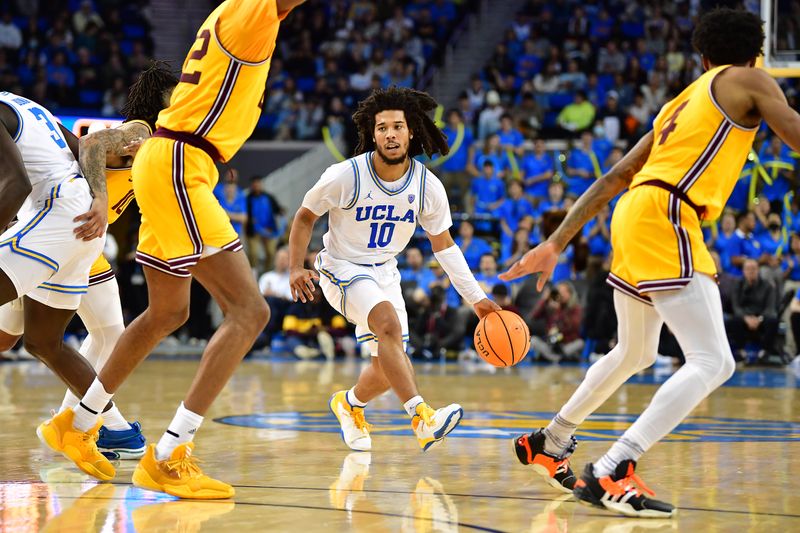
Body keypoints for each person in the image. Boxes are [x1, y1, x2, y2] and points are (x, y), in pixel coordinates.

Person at [500, 8, 800, 518]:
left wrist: (555, 242)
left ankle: (550, 441)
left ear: (702, 57)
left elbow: (614, 176)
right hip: (669, 211)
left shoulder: (677, 107)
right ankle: (614, 468)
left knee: (636, 352)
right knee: (714, 361)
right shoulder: (751, 79)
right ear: (755, 55)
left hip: (635, 211)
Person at [39, 0, 306, 499]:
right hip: (183, 161)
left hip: (172, 162)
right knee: (249, 312)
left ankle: (75, 422)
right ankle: (169, 454)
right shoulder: (248, 13)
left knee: (166, 312)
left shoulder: (240, 16)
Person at [289, 87, 500, 452]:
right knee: (387, 323)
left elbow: (445, 247)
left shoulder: (426, 186)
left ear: (411, 131)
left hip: (385, 272)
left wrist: (478, 299)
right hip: (341, 267)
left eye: (397, 127)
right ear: (372, 133)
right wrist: (295, 266)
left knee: (388, 368)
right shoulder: (346, 175)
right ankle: (422, 418)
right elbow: (305, 216)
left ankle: (349, 404)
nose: (390, 134)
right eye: (383, 127)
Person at [0, 62, 178, 460]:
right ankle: (90, 425)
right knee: (102, 337)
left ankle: (80, 423)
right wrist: (100, 199)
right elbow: (93, 145)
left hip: (69, 232)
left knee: (31, 339)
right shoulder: (141, 131)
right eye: (180, 97)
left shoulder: (164, 147)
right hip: (72, 228)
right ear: (162, 101)